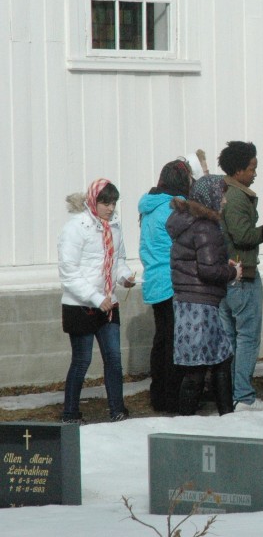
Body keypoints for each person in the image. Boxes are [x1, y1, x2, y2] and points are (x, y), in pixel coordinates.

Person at [58, 179, 135, 423]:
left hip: (108, 303)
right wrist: (95, 297)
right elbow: (69, 272)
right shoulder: (76, 227)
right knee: (82, 360)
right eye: (105, 203)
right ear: (93, 201)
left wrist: (125, 277)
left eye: (113, 203)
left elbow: (118, 260)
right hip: (80, 305)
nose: (110, 208)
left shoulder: (115, 226)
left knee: (114, 358)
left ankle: (117, 410)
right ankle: (70, 413)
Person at [167, 175, 242, 416]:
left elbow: (196, 259)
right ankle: (194, 421)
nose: (224, 201)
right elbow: (208, 270)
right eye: (221, 195)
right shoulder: (206, 226)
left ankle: (219, 416)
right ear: (209, 197)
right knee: (201, 367)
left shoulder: (187, 222)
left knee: (218, 360)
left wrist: (222, 263)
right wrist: (233, 272)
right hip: (201, 303)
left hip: (188, 300)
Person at [217, 141, 263, 410]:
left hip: (226, 277)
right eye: (252, 168)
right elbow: (243, 235)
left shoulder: (223, 192)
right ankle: (243, 396)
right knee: (247, 337)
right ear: (238, 170)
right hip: (242, 276)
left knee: (231, 338)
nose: (255, 173)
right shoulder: (238, 197)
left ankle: (232, 394)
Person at [138, 159, 192, 413]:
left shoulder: (150, 206)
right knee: (174, 342)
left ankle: (158, 394)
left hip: (154, 280)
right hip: (173, 280)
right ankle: (172, 396)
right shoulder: (174, 207)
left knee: (162, 340)